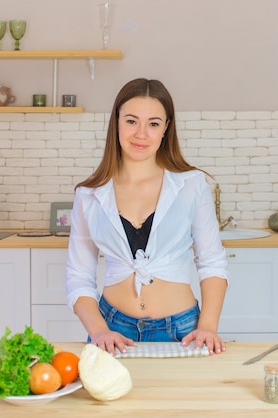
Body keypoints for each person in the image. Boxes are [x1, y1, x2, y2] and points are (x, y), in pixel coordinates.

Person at [65, 78, 229, 356]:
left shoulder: (192, 185)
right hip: (112, 330)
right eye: (131, 121)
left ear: (166, 129)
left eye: (153, 123)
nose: (141, 133)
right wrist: (99, 330)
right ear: (116, 123)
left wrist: (209, 326)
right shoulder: (89, 195)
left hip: (184, 329)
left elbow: (212, 262)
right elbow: (79, 276)